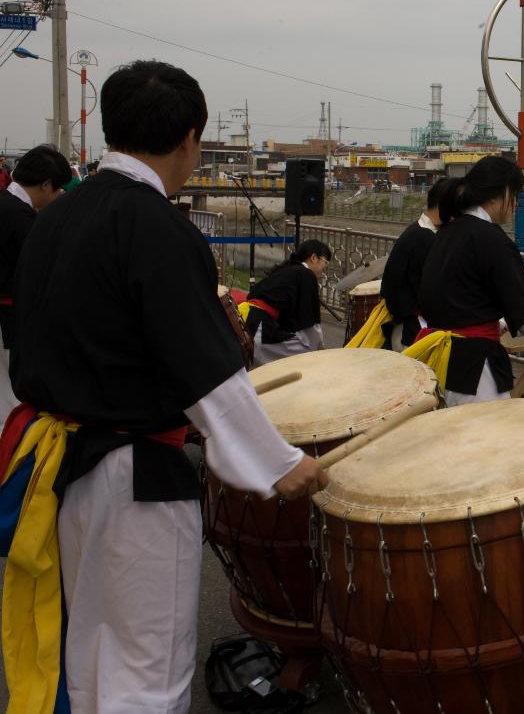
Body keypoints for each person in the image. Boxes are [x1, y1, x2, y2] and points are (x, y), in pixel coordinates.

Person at [6, 59, 327, 711]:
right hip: (138, 477)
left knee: (91, 644)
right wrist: (280, 463)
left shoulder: (58, 219)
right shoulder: (157, 226)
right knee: (151, 662)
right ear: (189, 139)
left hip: (67, 466)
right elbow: (204, 368)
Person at [417, 156, 524, 404]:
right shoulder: (492, 240)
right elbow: (523, 313)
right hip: (474, 368)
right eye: (514, 196)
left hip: (438, 357)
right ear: (501, 192)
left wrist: (497, 322)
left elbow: (461, 298)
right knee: (487, 438)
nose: (514, 205)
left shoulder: (448, 232)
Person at [0, 145, 73, 416]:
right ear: (45, 185)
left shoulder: (5, 205)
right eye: (58, 189)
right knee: (10, 402)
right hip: (7, 321)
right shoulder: (23, 219)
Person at [381, 178, 447, 348]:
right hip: (412, 333)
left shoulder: (417, 231)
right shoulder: (424, 238)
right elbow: (429, 294)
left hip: (404, 328)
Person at [244, 239, 331, 365]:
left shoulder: (287, 270)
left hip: (248, 321)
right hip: (259, 328)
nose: (324, 271)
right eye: (325, 262)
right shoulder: (305, 274)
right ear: (314, 258)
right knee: (309, 353)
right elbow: (308, 323)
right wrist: (319, 347)